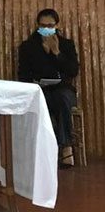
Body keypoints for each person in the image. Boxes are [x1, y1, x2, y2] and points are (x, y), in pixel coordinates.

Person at [18, 9, 79, 167]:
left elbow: (73, 71)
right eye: (43, 25)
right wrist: (44, 55)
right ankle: (47, 150)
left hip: (63, 89)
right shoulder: (28, 47)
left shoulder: (66, 44)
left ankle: (65, 147)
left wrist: (57, 53)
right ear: (37, 26)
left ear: (57, 26)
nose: (46, 29)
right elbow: (23, 75)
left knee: (62, 99)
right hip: (40, 90)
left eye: (50, 25)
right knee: (43, 102)